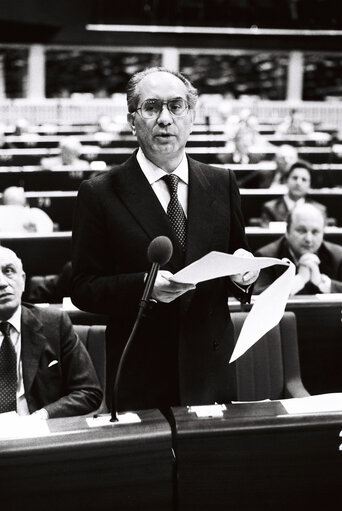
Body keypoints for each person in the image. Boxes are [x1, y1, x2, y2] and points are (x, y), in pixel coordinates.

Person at [71, 66, 259, 413]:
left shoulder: (221, 182)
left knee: (213, 466)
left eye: (176, 106)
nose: (164, 119)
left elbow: (237, 254)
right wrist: (145, 286)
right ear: (132, 120)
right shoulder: (99, 192)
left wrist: (244, 275)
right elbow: (83, 287)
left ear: (191, 117)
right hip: (142, 374)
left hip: (210, 368)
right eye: (151, 106)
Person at [0, 246, 102, 418]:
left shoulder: (54, 324)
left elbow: (89, 392)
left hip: (41, 432)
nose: (2, 283)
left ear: (23, 280)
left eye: (8, 271)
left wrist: (43, 416)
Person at [254, 203, 342, 295]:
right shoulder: (265, 257)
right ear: (287, 232)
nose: (308, 239)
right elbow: (256, 296)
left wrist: (323, 283)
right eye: (301, 231)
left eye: (315, 232)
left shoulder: (338, 256)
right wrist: (298, 281)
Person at [260, 159, 327, 226]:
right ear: (286, 180)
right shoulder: (270, 208)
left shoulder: (319, 210)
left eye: (304, 179)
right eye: (295, 178)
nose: (298, 183)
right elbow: (266, 235)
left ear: (309, 185)